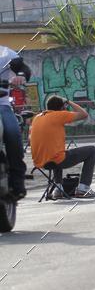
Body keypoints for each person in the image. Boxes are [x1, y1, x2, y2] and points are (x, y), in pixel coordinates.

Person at [30, 95, 95, 198]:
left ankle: (58, 189)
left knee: (57, 153)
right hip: (56, 160)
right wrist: (69, 101)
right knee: (92, 150)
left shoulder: (37, 118)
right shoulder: (59, 115)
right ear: (62, 108)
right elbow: (84, 114)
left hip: (40, 162)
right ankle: (83, 188)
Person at [0, 46, 31, 200]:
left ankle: (17, 180)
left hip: (1, 104)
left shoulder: (4, 53)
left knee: (12, 133)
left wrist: (20, 76)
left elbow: (23, 68)